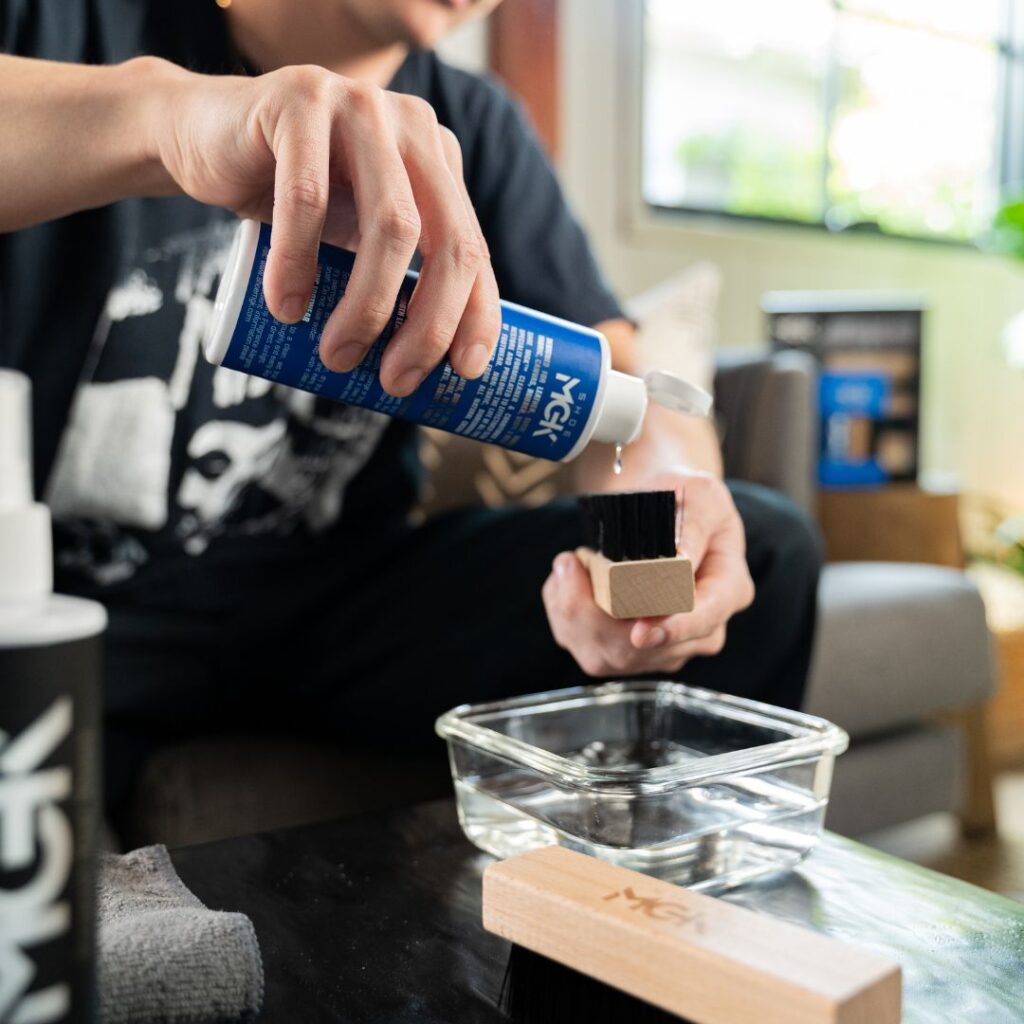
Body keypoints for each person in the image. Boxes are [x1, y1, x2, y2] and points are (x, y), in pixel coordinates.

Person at [0, 0, 821, 828]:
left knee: (772, 549)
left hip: (339, 612)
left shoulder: (473, 124)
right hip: (69, 606)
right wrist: (162, 115)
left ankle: (638, 940)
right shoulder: (62, 26)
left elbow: (630, 392)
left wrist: (669, 514)